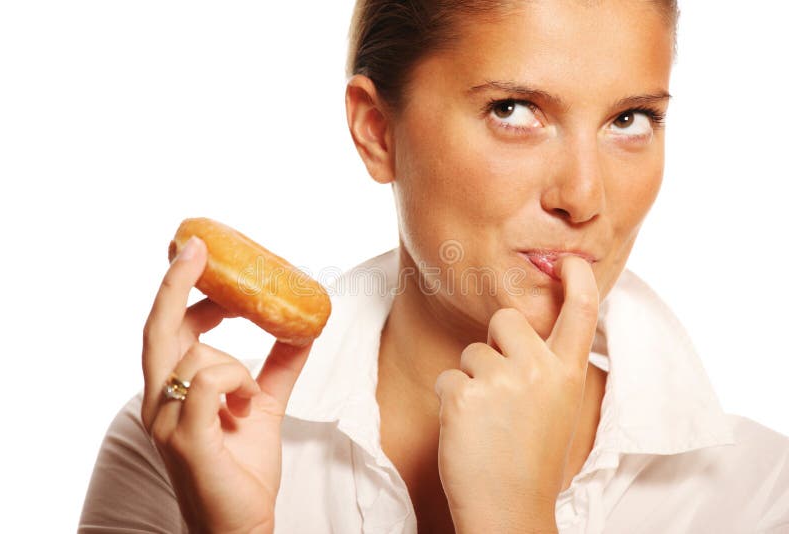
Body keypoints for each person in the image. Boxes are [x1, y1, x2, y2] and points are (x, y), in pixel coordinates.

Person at [79, 0, 789, 532]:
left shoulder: (760, 496)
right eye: (514, 109)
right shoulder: (183, 448)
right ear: (376, 130)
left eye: (630, 120)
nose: (584, 196)